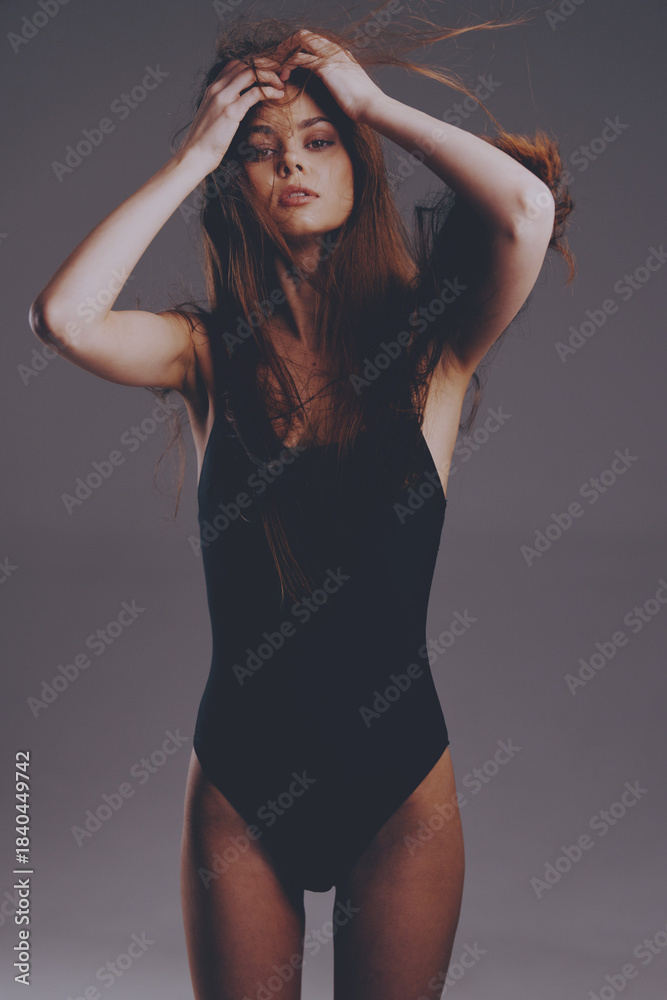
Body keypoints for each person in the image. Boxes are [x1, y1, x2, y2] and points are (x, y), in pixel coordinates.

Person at [29, 8, 574, 999]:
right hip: (240, 790)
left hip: (399, 789)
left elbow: (524, 212)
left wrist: (371, 102)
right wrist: (194, 155)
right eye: (260, 148)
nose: (291, 161)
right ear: (232, 180)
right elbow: (64, 317)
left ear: (359, 163)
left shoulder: (432, 349)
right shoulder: (201, 354)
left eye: (321, 141)